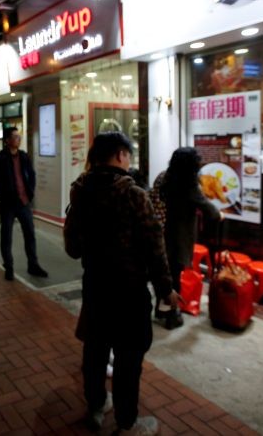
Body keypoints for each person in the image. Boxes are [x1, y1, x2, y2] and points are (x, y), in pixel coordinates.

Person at [64, 132, 178, 436]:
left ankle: (97, 407)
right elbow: (155, 247)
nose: (129, 161)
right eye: (128, 155)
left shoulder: (80, 191)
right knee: (128, 359)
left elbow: (72, 247)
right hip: (129, 290)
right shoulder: (133, 194)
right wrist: (166, 289)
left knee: (96, 350)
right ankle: (127, 424)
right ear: (119, 155)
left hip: (95, 285)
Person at [150, 147, 221, 329]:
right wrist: (218, 214)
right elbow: (209, 210)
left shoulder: (163, 177)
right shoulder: (188, 185)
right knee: (174, 278)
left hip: (158, 235)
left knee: (162, 275)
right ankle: (172, 316)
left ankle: (161, 310)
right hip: (177, 239)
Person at [0, 127, 48, 281]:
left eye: (19, 136)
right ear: (7, 140)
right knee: (6, 236)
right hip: (8, 204)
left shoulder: (24, 157)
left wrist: (29, 193)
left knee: (30, 234)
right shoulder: (0, 158)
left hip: (24, 202)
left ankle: (33, 265)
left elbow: (31, 175)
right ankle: (9, 267)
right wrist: (2, 195)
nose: (18, 139)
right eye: (15, 136)